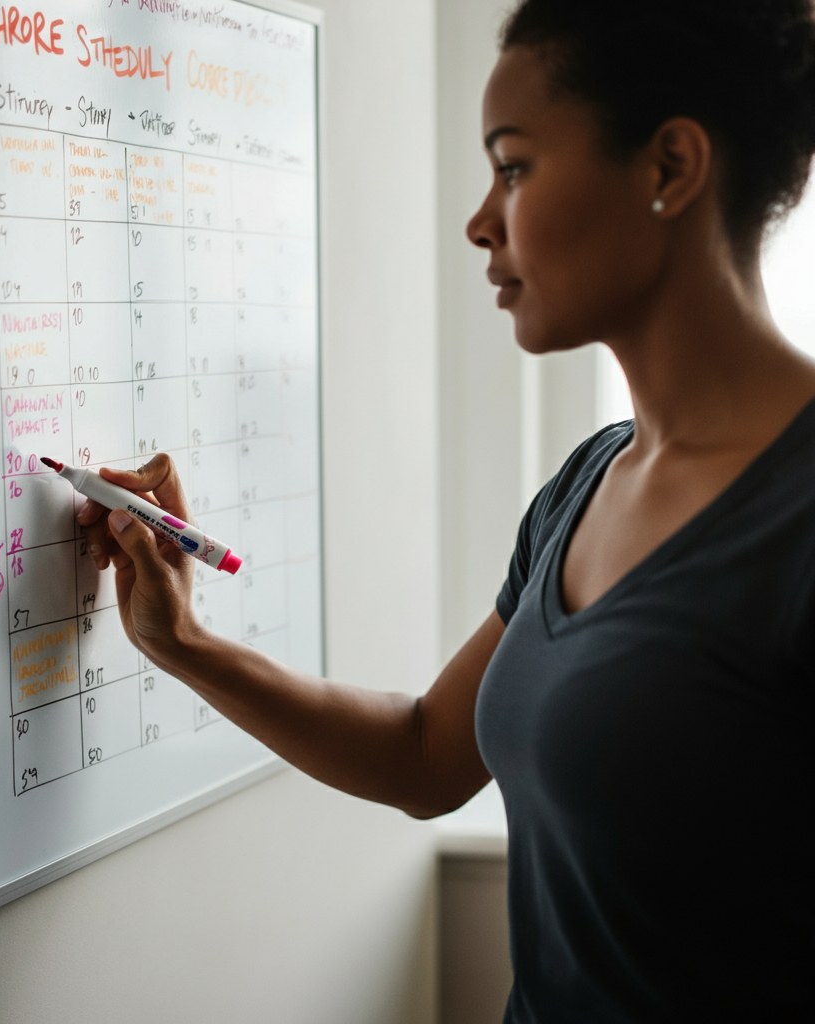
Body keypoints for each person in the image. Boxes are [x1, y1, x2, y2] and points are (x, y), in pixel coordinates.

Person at [79, 0, 815, 1018]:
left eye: (512, 167)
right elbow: (429, 753)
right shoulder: (588, 481)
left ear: (668, 168)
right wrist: (183, 641)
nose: (480, 220)